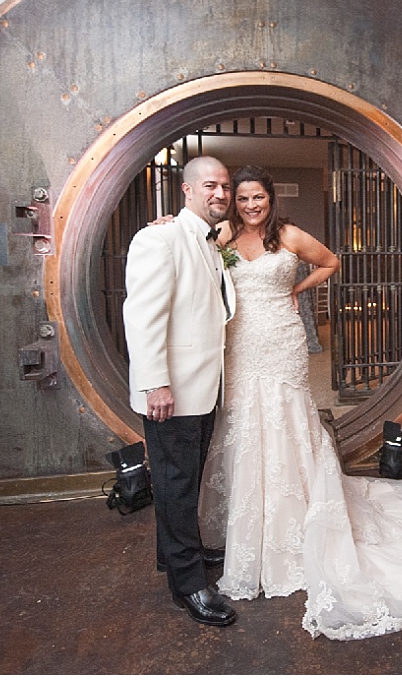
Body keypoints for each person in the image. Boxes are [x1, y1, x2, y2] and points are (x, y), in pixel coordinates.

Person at [197, 165, 402, 641]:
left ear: (271, 199)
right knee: (247, 423)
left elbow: (332, 262)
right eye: (245, 199)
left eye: (260, 198)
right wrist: (168, 225)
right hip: (240, 341)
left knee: (286, 420)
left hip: (282, 338)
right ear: (235, 202)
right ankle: (249, 528)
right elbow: (193, 247)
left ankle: (297, 520)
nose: (252, 206)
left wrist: (295, 288)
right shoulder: (224, 233)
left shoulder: (290, 235)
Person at [122, 155, 239, 627]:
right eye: (210, 185)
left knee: (182, 484)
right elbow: (143, 315)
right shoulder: (161, 236)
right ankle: (188, 585)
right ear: (187, 190)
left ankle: (178, 557)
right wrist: (155, 383)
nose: (222, 194)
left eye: (226, 186)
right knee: (174, 486)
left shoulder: (210, 241)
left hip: (203, 388)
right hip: (171, 392)